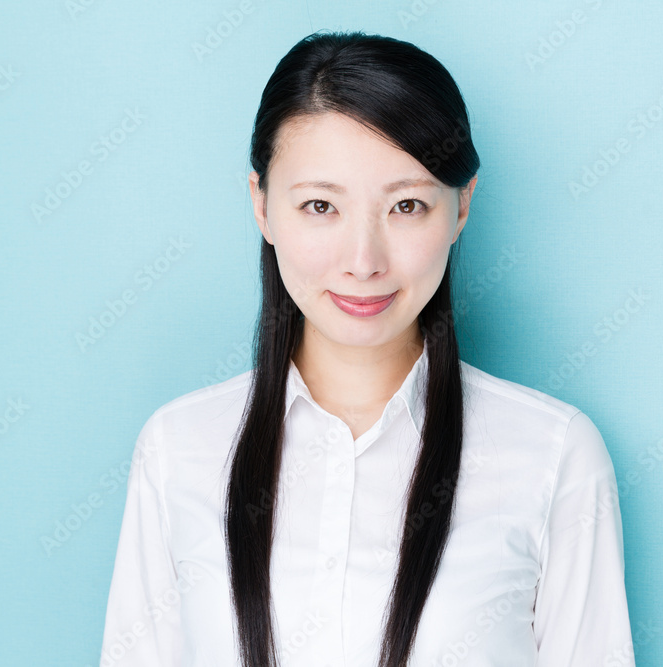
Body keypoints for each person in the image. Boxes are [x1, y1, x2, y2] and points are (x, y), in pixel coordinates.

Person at [99, 30, 635, 667]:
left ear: (462, 207)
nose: (363, 261)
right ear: (262, 206)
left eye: (406, 205)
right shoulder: (178, 449)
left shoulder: (553, 456)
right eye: (321, 205)